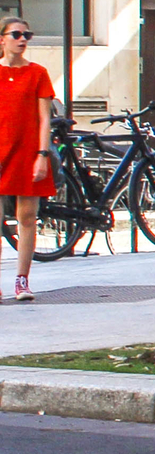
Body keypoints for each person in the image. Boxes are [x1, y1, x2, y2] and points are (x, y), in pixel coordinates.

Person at [0, 18, 54, 302]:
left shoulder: (38, 73)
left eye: (26, 35)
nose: (22, 40)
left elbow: (45, 118)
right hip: (1, 150)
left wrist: (42, 155)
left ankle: (22, 280)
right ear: (2, 39)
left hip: (29, 151)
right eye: (16, 34)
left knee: (27, 217)